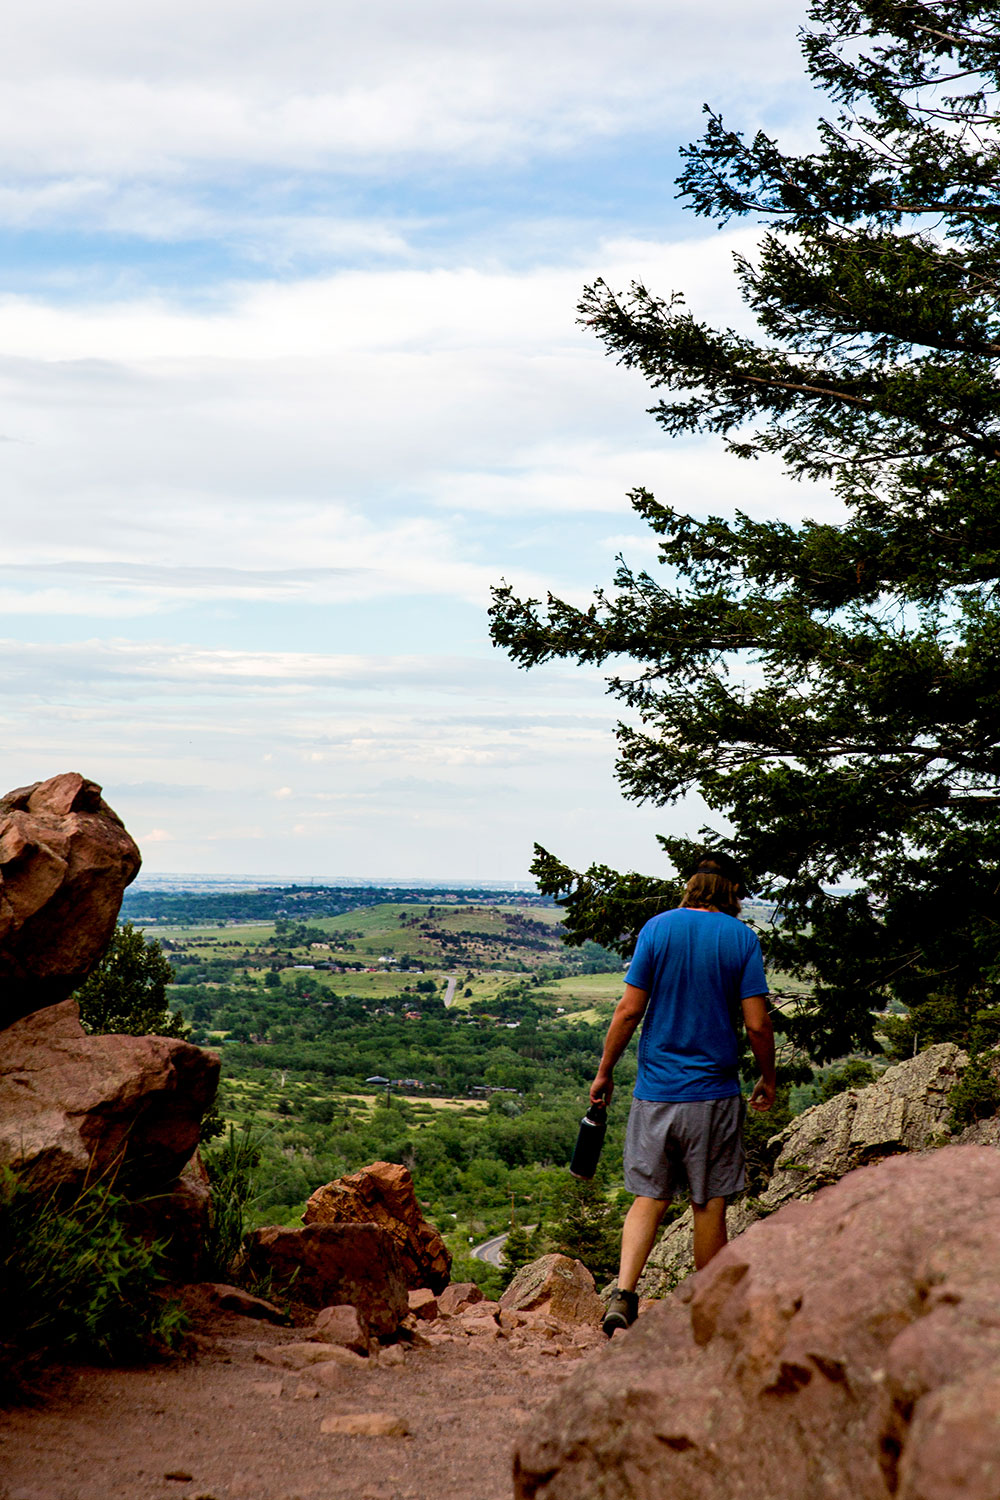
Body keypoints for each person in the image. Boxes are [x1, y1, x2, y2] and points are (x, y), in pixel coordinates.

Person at [592, 855, 776, 1337]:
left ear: (692, 885)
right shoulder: (741, 938)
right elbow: (757, 1023)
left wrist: (605, 1071)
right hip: (713, 1094)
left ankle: (623, 1295)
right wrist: (768, 1076)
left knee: (647, 1198)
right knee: (709, 1202)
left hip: (656, 1092)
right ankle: (709, 1309)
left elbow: (629, 1010)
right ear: (731, 889)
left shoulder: (657, 929)